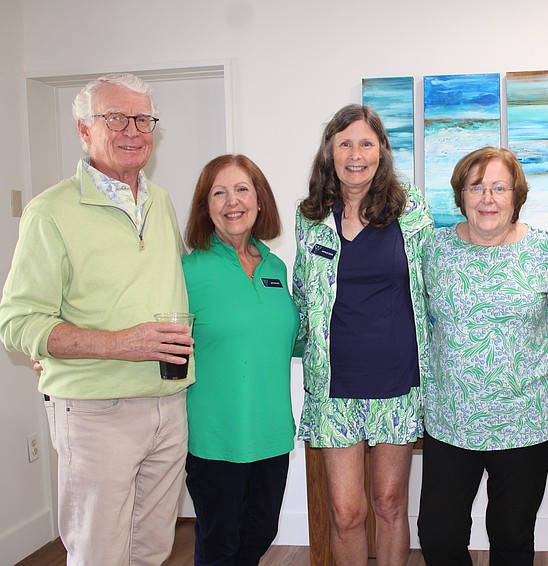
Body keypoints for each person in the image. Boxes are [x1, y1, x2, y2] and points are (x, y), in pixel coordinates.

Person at [0, 73, 192, 565]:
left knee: (152, 550)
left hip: (168, 405)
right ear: (85, 131)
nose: (133, 130)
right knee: (98, 553)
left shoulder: (161, 201)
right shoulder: (50, 211)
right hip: (95, 412)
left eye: (143, 118)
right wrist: (119, 344)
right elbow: (17, 323)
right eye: (115, 118)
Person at [417, 146, 548, 566]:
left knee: (511, 535)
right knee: (437, 534)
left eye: (498, 187)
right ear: (461, 195)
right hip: (450, 419)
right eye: (476, 187)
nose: (487, 198)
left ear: (516, 196)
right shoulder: (433, 251)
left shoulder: (542, 250)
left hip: (524, 422)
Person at [293, 104, 432, 565]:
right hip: (335, 388)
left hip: (398, 382)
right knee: (345, 512)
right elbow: (301, 293)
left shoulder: (410, 209)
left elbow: (436, 280)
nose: (356, 154)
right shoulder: (310, 216)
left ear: (382, 151)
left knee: (390, 504)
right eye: (345, 143)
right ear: (330, 152)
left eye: (366, 143)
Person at [182, 154, 298, 565]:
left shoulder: (276, 268)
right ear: (205, 206)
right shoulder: (185, 271)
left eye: (242, 189)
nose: (232, 201)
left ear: (260, 200)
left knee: (261, 532)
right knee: (219, 544)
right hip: (215, 437)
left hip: (270, 432)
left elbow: (293, 339)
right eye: (219, 192)